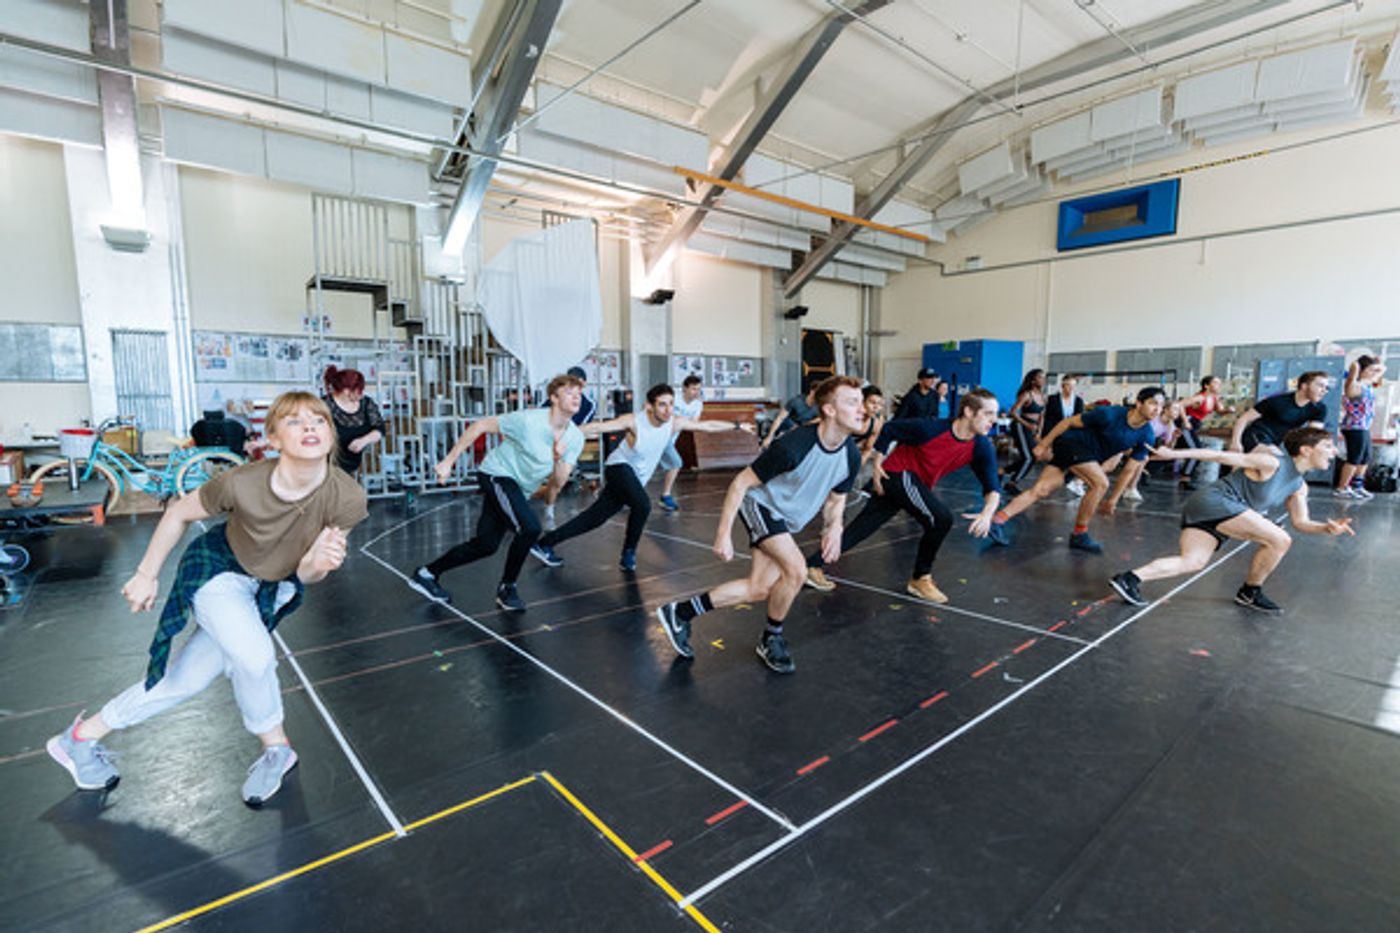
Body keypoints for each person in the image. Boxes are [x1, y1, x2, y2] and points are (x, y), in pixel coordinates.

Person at [46, 392, 367, 805]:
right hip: (222, 571)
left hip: (276, 582)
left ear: (331, 433)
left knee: (185, 681)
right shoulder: (241, 481)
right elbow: (179, 512)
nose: (309, 427)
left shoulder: (348, 498)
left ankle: (80, 737)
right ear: (272, 439)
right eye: (294, 421)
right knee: (254, 657)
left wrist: (318, 564)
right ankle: (276, 749)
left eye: (319, 421)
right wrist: (146, 574)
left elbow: (308, 574)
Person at [654, 376, 865, 674]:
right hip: (761, 506)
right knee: (797, 571)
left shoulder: (850, 456)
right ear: (829, 410)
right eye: (852, 402)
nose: (862, 410)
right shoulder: (794, 445)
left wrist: (835, 527)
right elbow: (740, 483)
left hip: (786, 519)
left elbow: (836, 499)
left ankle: (680, 612)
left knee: (758, 588)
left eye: (861, 402)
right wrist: (723, 534)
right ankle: (771, 638)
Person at [1110, 427, 1354, 614]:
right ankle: (1250, 591)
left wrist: (1326, 528)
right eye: (1328, 446)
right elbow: (1219, 456)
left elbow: (1301, 522)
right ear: (1306, 449)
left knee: (1192, 561)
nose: (1333, 452)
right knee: (1280, 539)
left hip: (1213, 513)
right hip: (1216, 502)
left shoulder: (1299, 486)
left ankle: (1129, 579)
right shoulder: (1273, 463)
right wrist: (1173, 453)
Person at [806, 388, 1006, 602]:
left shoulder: (981, 446)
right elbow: (890, 428)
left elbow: (992, 486)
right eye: (987, 414)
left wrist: (987, 513)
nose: (993, 420)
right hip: (897, 475)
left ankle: (812, 565)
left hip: (911, 483)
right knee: (941, 519)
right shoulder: (931, 428)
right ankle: (921, 578)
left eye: (994, 414)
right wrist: (878, 461)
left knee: (862, 528)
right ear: (968, 412)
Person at [409, 373, 585, 612]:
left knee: (486, 545)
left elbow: (557, 481)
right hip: (497, 474)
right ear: (553, 398)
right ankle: (508, 588)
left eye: (579, 393)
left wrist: (557, 458)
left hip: (521, 488)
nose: (576, 397)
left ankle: (426, 574)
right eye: (569, 392)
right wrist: (449, 461)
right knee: (530, 528)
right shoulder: (528, 421)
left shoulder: (575, 437)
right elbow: (480, 426)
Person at [530, 383, 752, 572]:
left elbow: (707, 426)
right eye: (662, 404)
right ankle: (628, 555)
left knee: (594, 518)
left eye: (670, 404)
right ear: (649, 406)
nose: (667, 410)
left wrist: (737, 425)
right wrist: (562, 433)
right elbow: (598, 426)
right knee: (643, 505)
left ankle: (544, 544)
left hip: (635, 477)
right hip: (619, 468)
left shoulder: (674, 422)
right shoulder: (634, 421)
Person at [989, 386, 1164, 553]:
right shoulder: (1109, 414)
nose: (1157, 409)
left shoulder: (1146, 435)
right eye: (1153, 403)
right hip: (1072, 444)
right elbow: (1067, 422)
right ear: (1139, 403)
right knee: (1100, 484)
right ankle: (1080, 533)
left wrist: (1113, 500)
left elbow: (1130, 469)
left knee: (1040, 490)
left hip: (1087, 457)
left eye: (1161, 405)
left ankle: (998, 520)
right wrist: (1043, 445)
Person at [542, 366, 596, 530]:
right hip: (549, 440)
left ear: (584, 384)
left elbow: (580, 427)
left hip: (569, 444)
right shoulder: (557, 398)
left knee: (559, 480)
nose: (574, 390)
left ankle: (549, 507)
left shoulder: (588, 404)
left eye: (577, 385)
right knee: (540, 477)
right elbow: (542, 414)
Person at [1229, 371, 1329, 452]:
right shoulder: (1277, 401)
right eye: (1320, 385)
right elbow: (1243, 419)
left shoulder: (1319, 408)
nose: (1324, 390)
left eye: (1326, 387)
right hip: (1256, 436)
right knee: (1272, 458)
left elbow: (1313, 434)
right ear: (1304, 386)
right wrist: (1235, 442)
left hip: (1276, 443)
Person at [322, 366, 385, 475]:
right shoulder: (324, 405)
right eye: (359, 390)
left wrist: (364, 440)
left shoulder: (366, 404)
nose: (361, 394)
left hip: (355, 466)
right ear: (346, 391)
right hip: (326, 467)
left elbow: (380, 428)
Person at [1336, 355, 1383, 500]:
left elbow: (1381, 370)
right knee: (1354, 458)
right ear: (1361, 370)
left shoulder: (1367, 384)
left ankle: (1357, 486)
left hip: (1363, 427)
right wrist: (1355, 367)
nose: (1373, 373)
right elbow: (1350, 380)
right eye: (1369, 370)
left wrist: (1377, 363)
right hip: (1354, 427)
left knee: (1365, 458)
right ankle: (1342, 488)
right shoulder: (1355, 386)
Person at [658, 374, 705, 512]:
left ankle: (665, 496)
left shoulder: (698, 404)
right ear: (685, 389)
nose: (696, 392)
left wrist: (682, 421)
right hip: (654, 437)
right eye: (693, 389)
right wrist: (680, 419)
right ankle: (621, 492)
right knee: (640, 468)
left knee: (676, 463)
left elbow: (694, 423)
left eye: (698, 389)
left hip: (668, 441)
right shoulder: (673, 399)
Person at [1003, 369, 1046, 495]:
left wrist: (1039, 432)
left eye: (1043, 378)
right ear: (1033, 380)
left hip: (1032, 428)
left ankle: (1003, 471)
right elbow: (1012, 412)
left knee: (1033, 457)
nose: (1043, 380)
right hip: (1020, 426)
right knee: (1028, 457)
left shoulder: (1043, 397)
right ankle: (1012, 483)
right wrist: (1026, 424)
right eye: (1040, 378)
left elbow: (1042, 415)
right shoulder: (1027, 395)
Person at [761, 383, 820, 448]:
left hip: (801, 432)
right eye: (817, 393)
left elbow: (820, 420)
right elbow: (780, 418)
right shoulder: (796, 401)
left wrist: (803, 426)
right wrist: (769, 437)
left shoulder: (819, 407)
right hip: (786, 429)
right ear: (812, 391)